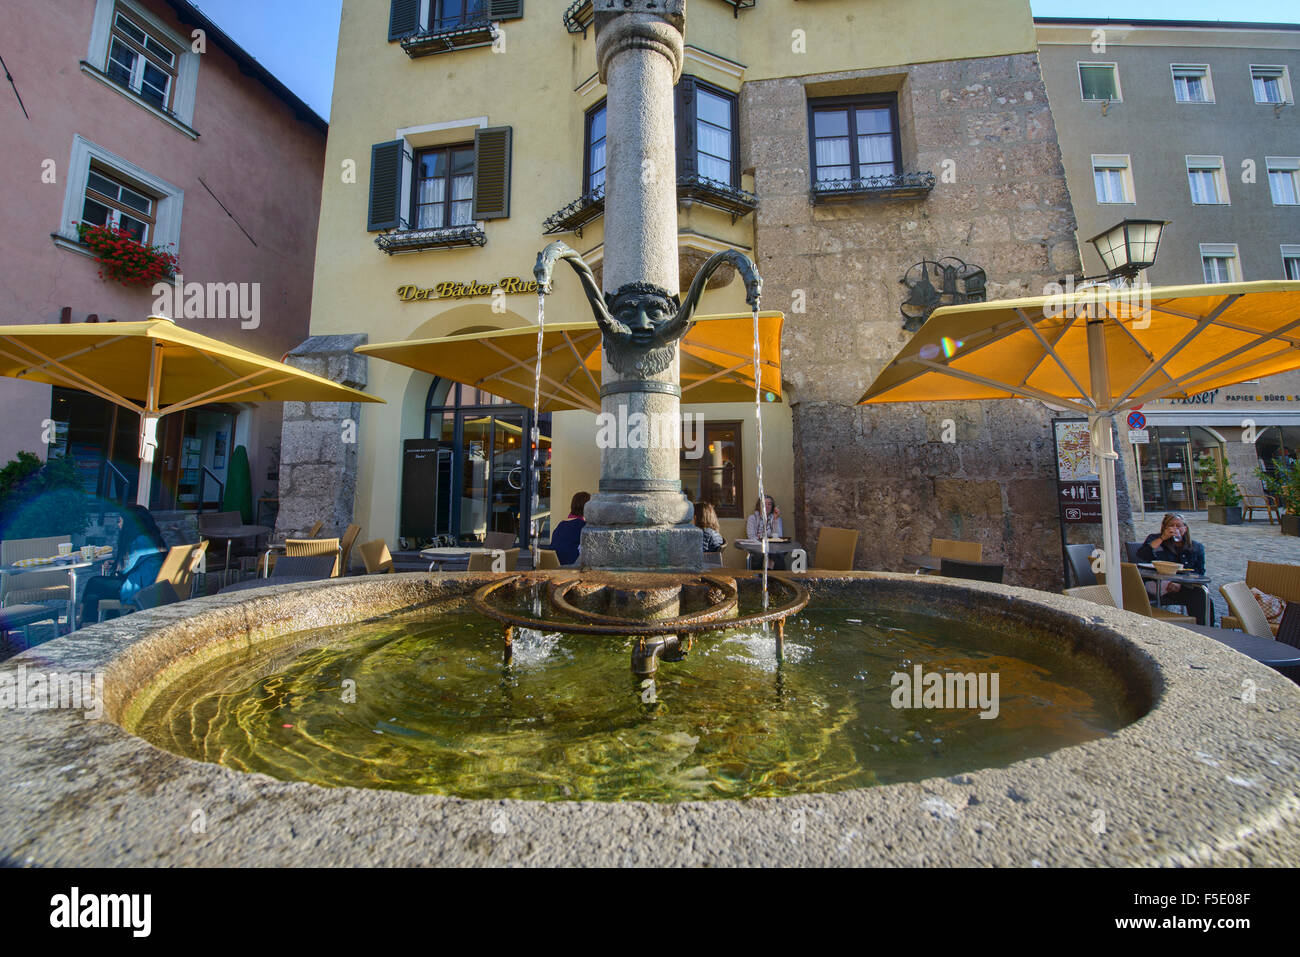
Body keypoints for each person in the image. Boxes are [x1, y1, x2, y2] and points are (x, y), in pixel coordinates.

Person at [80, 504, 169, 623]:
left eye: (120, 521)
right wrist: (116, 564)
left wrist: (116, 565)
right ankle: (91, 623)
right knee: (94, 595)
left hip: (140, 588)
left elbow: (124, 569)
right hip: (151, 585)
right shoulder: (153, 537)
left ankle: (82, 622)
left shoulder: (140, 540)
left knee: (94, 582)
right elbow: (135, 563)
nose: (118, 524)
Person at [1136, 512, 1207, 623]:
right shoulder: (1156, 539)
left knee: (1201, 594)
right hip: (1158, 582)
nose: (1175, 529)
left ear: (1185, 528)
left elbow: (1199, 571)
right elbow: (1142, 555)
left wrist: (1180, 584)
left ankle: (1205, 628)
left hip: (1183, 585)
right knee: (1197, 595)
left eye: (1178, 526)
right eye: (1171, 525)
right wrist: (1162, 538)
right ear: (1164, 527)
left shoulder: (1196, 547)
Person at [548, 491, 589, 566]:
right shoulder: (583, 526)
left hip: (554, 566)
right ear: (587, 508)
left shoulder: (561, 524)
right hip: (570, 569)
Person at [745, 495, 784, 570]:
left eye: (769, 504)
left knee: (778, 554)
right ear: (759, 506)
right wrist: (765, 542)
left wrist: (775, 520)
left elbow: (778, 537)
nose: (767, 506)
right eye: (764, 503)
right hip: (758, 548)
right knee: (768, 555)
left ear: (772, 507)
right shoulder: (752, 518)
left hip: (773, 548)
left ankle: (772, 576)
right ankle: (772, 577)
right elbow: (751, 537)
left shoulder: (776, 518)